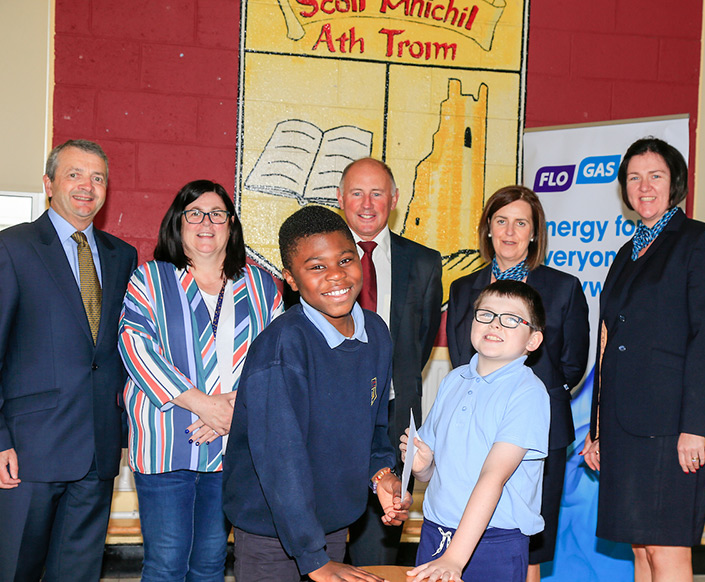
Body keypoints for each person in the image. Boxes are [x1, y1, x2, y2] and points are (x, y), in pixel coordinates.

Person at [223, 205, 410, 582]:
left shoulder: (375, 334)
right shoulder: (282, 349)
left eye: (344, 259)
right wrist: (314, 559)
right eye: (317, 267)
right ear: (291, 279)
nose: (336, 275)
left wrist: (382, 475)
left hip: (332, 526)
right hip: (273, 534)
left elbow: (373, 428)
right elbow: (280, 461)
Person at [581, 137, 705, 582]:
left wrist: (693, 427)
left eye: (656, 176)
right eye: (634, 178)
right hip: (626, 428)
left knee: (666, 549)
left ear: (675, 183)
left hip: (674, 426)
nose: (644, 186)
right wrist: (598, 431)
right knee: (641, 548)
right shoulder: (625, 256)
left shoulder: (701, 241)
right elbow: (606, 343)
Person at [118, 180, 282, 581]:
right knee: (167, 562)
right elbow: (135, 346)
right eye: (194, 213)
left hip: (231, 444)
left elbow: (278, 360)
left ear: (231, 225)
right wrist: (203, 404)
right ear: (178, 223)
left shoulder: (261, 285)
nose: (205, 222)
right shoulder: (150, 279)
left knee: (210, 562)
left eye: (217, 214)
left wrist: (232, 406)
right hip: (167, 441)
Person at [0, 139, 138, 581]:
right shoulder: (13, 248)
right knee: (15, 567)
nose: (87, 186)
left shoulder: (123, 256)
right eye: (75, 174)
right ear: (48, 183)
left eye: (98, 177)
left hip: (97, 450)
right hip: (28, 450)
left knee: (76, 574)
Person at [446, 185, 589, 580]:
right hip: (476, 432)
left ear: (534, 233)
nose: (510, 231)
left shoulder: (564, 288)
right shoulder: (462, 290)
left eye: (521, 223)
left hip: (540, 435)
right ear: (488, 229)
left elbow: (572, 365)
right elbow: (463, 357)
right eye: (501, 221)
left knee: (529, 545)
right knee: (472, 533)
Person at [403, 280, 550, 582]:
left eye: (511, 319)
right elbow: (431, 472)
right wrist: (421, 466)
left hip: (494, 541)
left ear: (533, 340)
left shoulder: (528, 391)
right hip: (435, 532)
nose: (495, 324)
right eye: (486, 314)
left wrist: (455, 558)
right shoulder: (454, 380)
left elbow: (493, 476)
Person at [336, 157, 443, 565]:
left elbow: (421, 340)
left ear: (394, 199)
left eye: (377, 193)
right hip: (328, 416)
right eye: (357, 193)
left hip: (397, 415)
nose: (367, 203)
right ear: (341, 198)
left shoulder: (424, 262)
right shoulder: (317, 257)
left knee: (380, 546)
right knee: (322, 541)